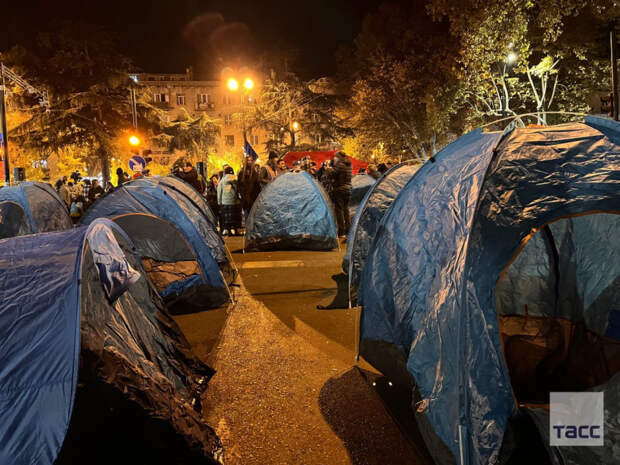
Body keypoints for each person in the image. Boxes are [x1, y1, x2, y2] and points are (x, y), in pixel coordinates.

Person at [329, 151, 352, 237]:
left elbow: (332, 175)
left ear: (338, 157)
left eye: (335, 157)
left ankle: (341, 231)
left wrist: (329, 169)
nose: (334, 159)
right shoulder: (349, 164)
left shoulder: (340, 165)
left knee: (339, 210)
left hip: (340, 189)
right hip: (348, 189)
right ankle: (348, 230)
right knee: (346, 210)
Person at [217, 166, 242, 236]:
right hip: (234, 201)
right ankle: (235, 230)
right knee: (234, 217)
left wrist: (219, 202)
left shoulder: (222, 180)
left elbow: (219, 191)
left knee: (227, 218)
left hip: (225, 201)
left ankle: (229, 231)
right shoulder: (236, 179)